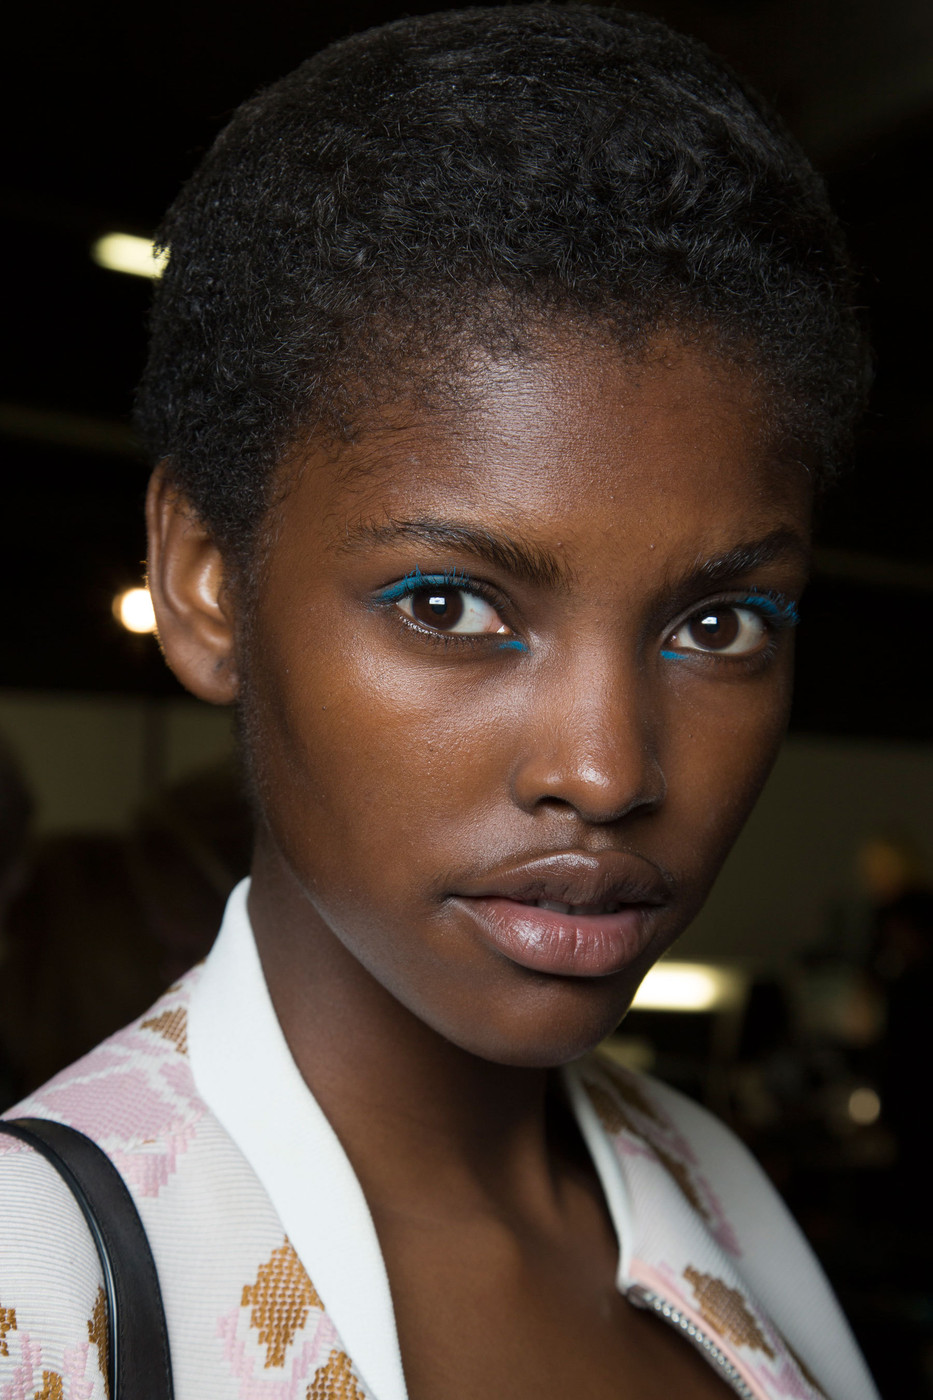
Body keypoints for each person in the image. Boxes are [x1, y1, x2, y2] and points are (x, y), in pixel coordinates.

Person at [0, 7, 879, 1398]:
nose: (605, 772)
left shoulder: (719, 1196)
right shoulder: (41, 1292)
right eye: (450, 607)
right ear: (206, 584)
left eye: (716, 624)